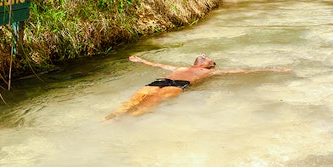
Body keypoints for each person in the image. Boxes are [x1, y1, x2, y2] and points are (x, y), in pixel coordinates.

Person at [106, 54, 290, 118]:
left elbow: (242, 71)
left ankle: (118, 119)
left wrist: (140, 60)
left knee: (144, 99)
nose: (209, 59)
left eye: (211, 61)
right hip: (170, 82)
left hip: (171, 82)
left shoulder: (194, 70)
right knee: (144, 100)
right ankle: (119, 119)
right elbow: (156, 65)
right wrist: (140, 60)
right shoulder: (197, 70)